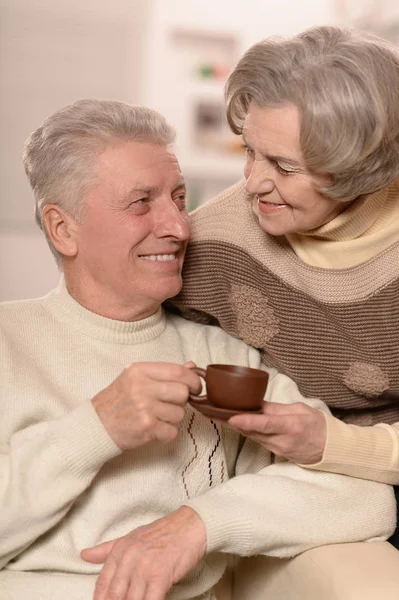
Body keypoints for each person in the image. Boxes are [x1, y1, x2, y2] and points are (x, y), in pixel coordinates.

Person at [0, 99, 395, 600]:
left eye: (179, 199)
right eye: (141, 203)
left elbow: (365, 498)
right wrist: (96, 428)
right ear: (63, 228)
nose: (180, 228)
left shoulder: (223, 355)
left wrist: (200, 523)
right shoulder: (8, 342)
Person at [170, 25, 399, 550]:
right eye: (249, 151)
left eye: (284, 166)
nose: (252, 182)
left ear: (359, 169)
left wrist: (331, 443)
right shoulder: (219, 240)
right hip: (293, 483)